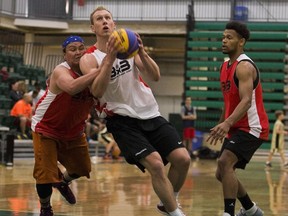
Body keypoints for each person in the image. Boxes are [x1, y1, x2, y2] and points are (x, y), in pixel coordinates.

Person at [80, 6, 190, 216]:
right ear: (92, 27)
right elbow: (97, 90)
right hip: (122, 120)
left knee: (183, 159)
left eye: (107, 18)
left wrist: (142, 52)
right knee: (156, 165)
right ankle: (175, 213)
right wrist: (109, 59)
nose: (104, 21)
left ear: (113, 24)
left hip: (149, 112)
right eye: (99, 19)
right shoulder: (90, 57)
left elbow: (155, 76)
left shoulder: (128, 48)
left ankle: (169, 202)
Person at [31, 36, 100, 216]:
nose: (78, 52)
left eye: (81, 48)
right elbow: (71, 87)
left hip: (73, 130)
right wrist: (99, 71)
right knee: (45, 175)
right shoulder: (61, 70)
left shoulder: (91, 71)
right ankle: (46, 207)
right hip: (47, 128)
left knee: (82, 169)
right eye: (72, 49)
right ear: (64, 54)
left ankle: (62, 182)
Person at [206, 21, 269, 216]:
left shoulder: (244, 66)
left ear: (241, 41)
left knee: (225, 163)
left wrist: (227, 123)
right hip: (236, 126)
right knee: (221, 173)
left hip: (253, 127)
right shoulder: (225, 66)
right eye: (223, 37)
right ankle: (251, 209)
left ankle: (228, 213)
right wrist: (222, 122)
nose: (224, 41)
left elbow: (246, 101)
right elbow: (229, 102)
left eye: (229, 37)